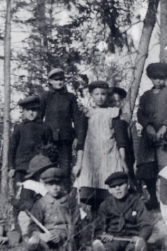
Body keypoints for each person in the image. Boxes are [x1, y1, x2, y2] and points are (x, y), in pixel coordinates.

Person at [75, 81, 126, 215]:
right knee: (90, 194)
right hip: (91, 157)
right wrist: (79, 163)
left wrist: (123, 160)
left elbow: (121, 140)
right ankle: (93, 223)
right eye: (96, 94)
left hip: (109, 155)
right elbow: (80, 141)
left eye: (103, 94)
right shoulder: (87, 113)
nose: (100, 97)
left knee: (109, 190)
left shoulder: (114, 112)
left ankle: (109, 220)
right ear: (91, 95)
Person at [136, 62, 167, 205]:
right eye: (155, 78)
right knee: (147, 168)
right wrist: (148, 126)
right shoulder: (145, 96)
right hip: (148, 138)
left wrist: (165, 127)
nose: (158, 81)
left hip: (166, 136)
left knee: (166, 168)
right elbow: (140, 113)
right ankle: (153, 198)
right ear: (150, 78)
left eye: (161, 78)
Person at [93, 171, 153, 251]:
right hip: (114, 238)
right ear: (109, 190)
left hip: (132, 238)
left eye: (121, 185)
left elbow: (146, 224)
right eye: (113, 187)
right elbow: (99, 226)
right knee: (109, 248)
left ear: (128, 185)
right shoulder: (105, 205)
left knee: (134, 248)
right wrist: (103, 235)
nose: (117, 189)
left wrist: (141, 237)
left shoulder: (136, 202)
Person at [39, 69, 81, 182]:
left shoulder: (70, 97)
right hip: (49, 140)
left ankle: (65, 196)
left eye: (61, 79)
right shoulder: (45, 96)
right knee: (48, 168)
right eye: (56, 80)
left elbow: (76, 118)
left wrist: (77, 137)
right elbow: (39, 118)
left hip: (65, 139)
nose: (59, 82)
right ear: (50, 81)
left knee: (65, 169)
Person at [28, 167, 82, 251]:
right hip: (47, 238)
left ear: (62, 184)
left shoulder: (70, 201)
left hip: (66, 239)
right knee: (34, 243)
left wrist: (64, 234)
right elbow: (33, 226)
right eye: (51, 184)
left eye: (58, 183)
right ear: (45, 185)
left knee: (69, 247)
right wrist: (40, 235)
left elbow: (76, 223)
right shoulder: (41, 203)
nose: (55, 187)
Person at [8, 95, 53, 190]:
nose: (31, 113)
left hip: (39, 167)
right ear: (23, 111)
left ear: (39, 111)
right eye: (28, 110)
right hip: (21, 167)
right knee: (19, 191)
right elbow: (12, 147)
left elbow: (50, 147)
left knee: (38, 191)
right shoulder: (19, 128)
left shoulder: (45, 127)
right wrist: (11, 167)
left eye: (34, 110)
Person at [12, 154, 56, 244]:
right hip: (29, 217)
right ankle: (29, 238)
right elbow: (27, 204)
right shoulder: (29, 185)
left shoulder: (48, 185)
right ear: (37, 174)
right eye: (44, 172)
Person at [109, 86, 138, 189]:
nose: (115, 104)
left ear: (121, 102)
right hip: (110, 154)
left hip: (127, 154)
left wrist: (136, 160)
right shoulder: (106, 118)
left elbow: (134, 139)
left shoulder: (126, 119)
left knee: (128, 178)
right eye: (111, 101)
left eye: (117, 101)